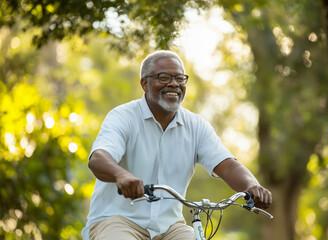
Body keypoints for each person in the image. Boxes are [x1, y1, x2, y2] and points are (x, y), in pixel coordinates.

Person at [81, 50, 272, 240]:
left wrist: (252, 186)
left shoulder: (196, 126)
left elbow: (228, 166)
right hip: (118, 221)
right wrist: (121, 175)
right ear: (144, 83)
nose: (174, 84)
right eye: (164, 77)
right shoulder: (123, 117)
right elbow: (98, 158)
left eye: (180, 78)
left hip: (169, 228)